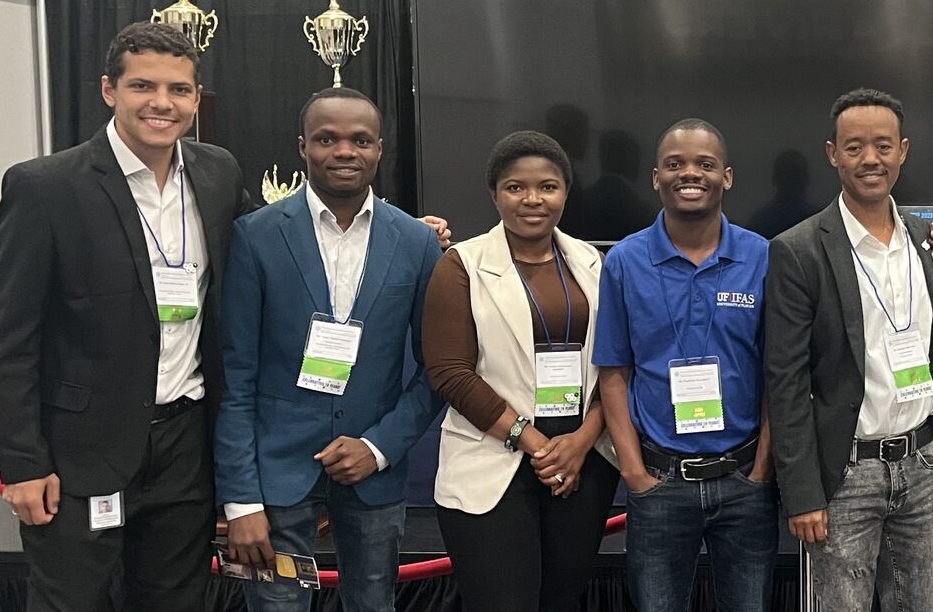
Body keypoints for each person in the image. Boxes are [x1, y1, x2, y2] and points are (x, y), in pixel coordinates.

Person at [0, 23, 253, 610]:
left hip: (186, 446)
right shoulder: (44, 187)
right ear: (109, 90)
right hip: (77, 454)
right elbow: (12, 343)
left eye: (179, 90)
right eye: (143, 86)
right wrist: (23, 464)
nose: (162, 103)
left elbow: (271, 252)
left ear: (195, 97)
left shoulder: (219, 174)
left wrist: (402, 231)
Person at [214, 86, 446, 611]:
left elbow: (438, 369)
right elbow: (237, 376)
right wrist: (241, 498)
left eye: (360, 140)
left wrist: (380, 447)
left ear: (380, 149)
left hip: (374, 473)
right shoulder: (255, 237)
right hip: (275, 476)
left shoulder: (416, 242)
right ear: (302, 147)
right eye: (327, 139)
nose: (345, 151)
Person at [764, 88, 933, 611]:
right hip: (845, 474)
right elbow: (785, 380)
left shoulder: (926, 241)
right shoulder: (798, 249)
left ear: (904, 150)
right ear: (832, 154)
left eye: (883, 146)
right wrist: (802, 494)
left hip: (921, 465)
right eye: (854, 148)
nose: (870, 159)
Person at [423, 131, 620, 612]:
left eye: (548, 187)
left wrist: (580, 441)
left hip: (581, 464)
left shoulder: (594, 262)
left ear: (565, 193)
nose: (532, 199)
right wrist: (534, 443)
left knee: (561, 601)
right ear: (494, 193)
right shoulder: (461, 265)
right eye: (516, 187)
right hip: (494, 460)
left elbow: (614, 363)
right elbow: (450, 374)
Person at [595, 118, 778, 611]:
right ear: (656, 177)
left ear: (728, 177)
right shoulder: (624, 262)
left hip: (745, 481)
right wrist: (635, 475)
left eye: (705, 164)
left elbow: (777, 374)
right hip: (660, 482)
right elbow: (614, 373)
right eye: (675, 164)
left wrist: (762, 469)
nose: (689, 173)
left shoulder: (762, 257)